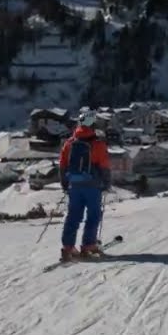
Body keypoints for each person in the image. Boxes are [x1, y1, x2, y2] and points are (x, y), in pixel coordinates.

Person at [58, 110, 111, 261]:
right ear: (93, 125)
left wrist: (65, 183)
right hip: (92, 185)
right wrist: (106, 183)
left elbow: (62, 165)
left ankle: (68, 247)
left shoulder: (69, 143)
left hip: (74, 185)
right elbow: (104, 166)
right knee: (93, 215)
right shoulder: (98, 144)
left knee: (73, 215)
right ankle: (89, 245)